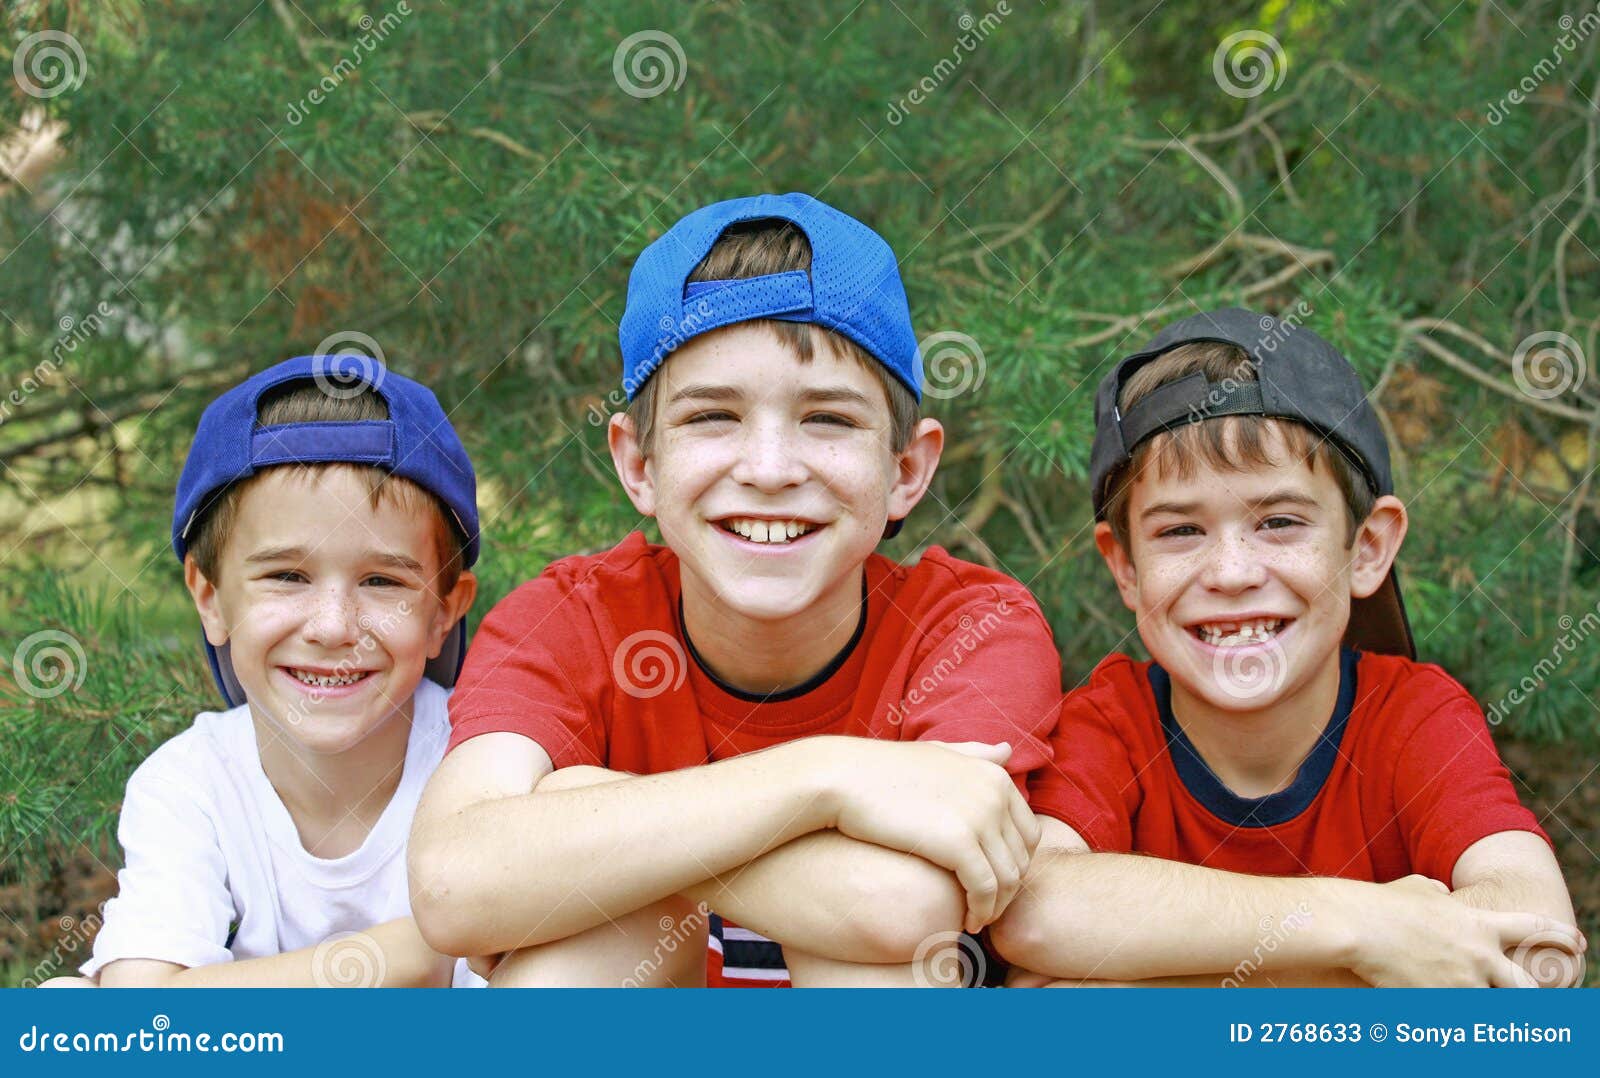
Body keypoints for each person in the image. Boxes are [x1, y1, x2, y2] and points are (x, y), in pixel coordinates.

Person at [408, 193, 1063, 987]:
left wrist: (585, 810)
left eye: (827, 419)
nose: (769, 468)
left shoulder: (968, 627)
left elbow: (909, 907)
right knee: (602, 937)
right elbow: (452, 886)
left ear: (907, 470)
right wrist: (829, 779)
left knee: (880, 963)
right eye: (713, 416)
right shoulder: (571, 619)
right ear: (639, 464)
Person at [991, 308, 1586, 987]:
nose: (1232, 572)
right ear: (1124, 566)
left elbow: (1537, 945)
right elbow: (1035, 913)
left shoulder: (1413, 717)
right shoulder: (1112, 723)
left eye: (1279, 522)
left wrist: (1136, 977)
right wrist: (1365, 929)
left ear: (1367, 548)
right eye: (1180, 531)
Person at [72, 355, 481, 987]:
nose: (332, 625)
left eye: (382, 580)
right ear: (210, 599)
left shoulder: (483, 759)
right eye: (287, 577)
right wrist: (416, 956)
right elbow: (140, 1013)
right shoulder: (192, 783)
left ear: (441, 614)